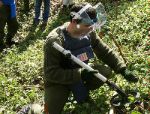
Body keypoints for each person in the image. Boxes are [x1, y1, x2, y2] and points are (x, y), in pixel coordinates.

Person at [44, 2, 138, 114]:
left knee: (105, 72)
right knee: (51, 111)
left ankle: (81, 92)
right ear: (74, 22)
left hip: (82, 73)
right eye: (88, 25)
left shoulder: (89, 33)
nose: (91, 29)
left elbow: (105, 52)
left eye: (93, 26)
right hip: (59, 81)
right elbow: (50, 73)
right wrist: (79, 74)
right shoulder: (55, 41)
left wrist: (122, 69)